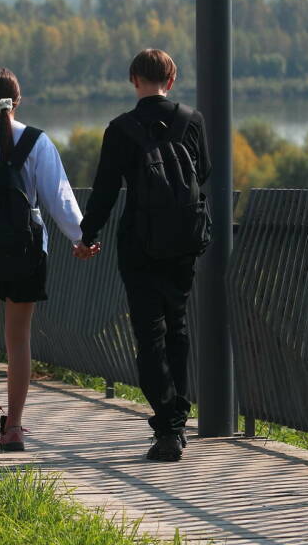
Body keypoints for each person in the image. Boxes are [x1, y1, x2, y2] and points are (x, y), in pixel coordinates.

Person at [0, 66, 88, 452]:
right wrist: (82, 238)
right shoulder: (38, 142)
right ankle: (15, 430)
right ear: (18, 100)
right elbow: (60, 198)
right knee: (19, 338)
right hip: (27, 253)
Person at [77, 48, 211, 462]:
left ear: (134, 80)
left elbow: (104, 190)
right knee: (177, 326)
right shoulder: (192, 120)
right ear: (171, 81)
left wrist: (87, 235)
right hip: (183, 242)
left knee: (149, 335)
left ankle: (168, 426)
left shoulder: (120, 129)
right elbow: (204, 172)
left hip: (138, 244)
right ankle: (177, 421)